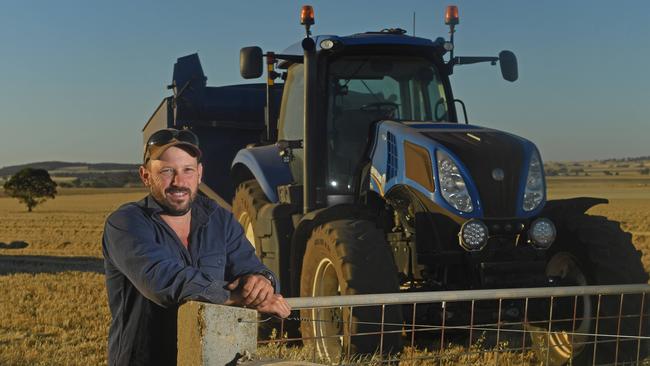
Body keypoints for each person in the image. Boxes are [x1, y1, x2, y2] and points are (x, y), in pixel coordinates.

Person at [102, 128, 290, 366]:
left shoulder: (220, 219)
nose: (179, 182)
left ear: (200, 174)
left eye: (187, 170)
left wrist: (262, 284)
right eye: (167, 171)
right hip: (144, 359)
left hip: (209, 359)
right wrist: (234, 296)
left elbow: (249, 267)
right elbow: (163, 280)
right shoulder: (126, 223)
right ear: (145, 175)